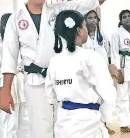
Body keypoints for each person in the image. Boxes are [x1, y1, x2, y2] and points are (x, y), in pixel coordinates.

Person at [0, 0, 130, 138]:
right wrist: (5, 90)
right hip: (34, 82)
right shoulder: (16, 20)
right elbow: (10, 56)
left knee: (65, 127)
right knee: (40, 130)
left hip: (61, 79)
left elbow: (84, 2)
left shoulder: (55, 11)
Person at [45, 10, 116, 138]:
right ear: (80, 30)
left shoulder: (54, 60)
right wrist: (106, 116)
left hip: (63, 121)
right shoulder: (91, 57)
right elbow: (108, 93)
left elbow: (50, 96)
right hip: (88, 122)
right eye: (85, 26)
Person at [83, 10, 115, 134]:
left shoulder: (103, 36)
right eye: (89, 18)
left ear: (98, 20)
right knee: (91, 99)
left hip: (103, 73)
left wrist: (112, 72)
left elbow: (109, 55)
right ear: (85, 21)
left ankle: (104, 124)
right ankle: (93, 126)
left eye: (94, 17)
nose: (92, 20)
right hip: (89, 74)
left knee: (105, 99)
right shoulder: (82, 37)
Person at [0, 13, 29, 138]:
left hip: (22, 85)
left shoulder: (21, 41)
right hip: (5, 86)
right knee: (8, 123)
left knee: (25, 123)